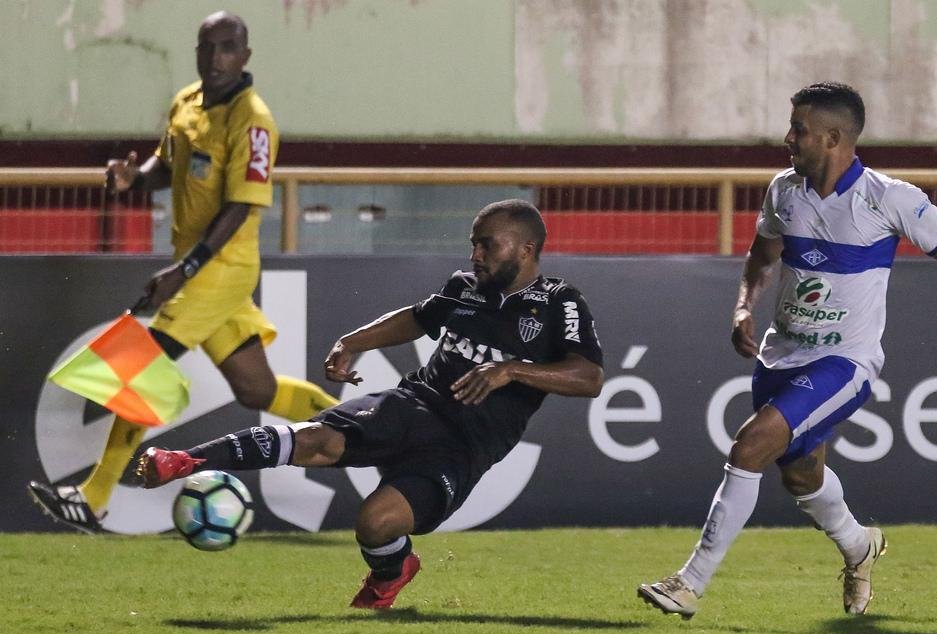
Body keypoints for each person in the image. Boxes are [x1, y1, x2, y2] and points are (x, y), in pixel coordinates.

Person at [638, 81, 937, 620]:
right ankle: (859, 545)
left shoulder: (889, 198)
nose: (788, 138)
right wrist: (743, 307)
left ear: (833, 138)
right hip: (780, 355)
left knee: (750, 446)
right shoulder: (784, 190)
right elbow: (762, 257)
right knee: (801, 475)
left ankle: (688, 584)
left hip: (845, 362)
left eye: (799, 129)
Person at [135, 199, 604, 608]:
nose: (475, 255)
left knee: (375, 524)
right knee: (316, 439)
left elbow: (589, 377)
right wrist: (353, 341)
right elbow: (418, 318)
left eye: (487, 245)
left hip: (463, 447)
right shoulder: (464, 286)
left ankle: (392, 572)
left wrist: (511, 370)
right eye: (473, 244)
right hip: (414, 404)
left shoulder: (559, 302)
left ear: (525, 249)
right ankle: (184, 460)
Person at [28, 11, 337, 532]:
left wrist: (184, 270)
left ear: (245, 56)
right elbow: (166, 166)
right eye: (207, 47)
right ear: (196, 51)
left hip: (221, 269)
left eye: (227, 47)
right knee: (257, 391)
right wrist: (133, 181)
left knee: (141, 367)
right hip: (199, 270)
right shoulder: (186, 102)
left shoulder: (253, 121)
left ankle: (93, 498)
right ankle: (373, 428)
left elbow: (241, 205)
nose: (216, 58)